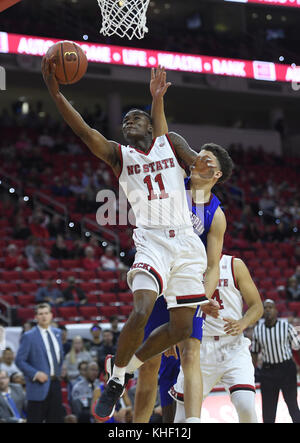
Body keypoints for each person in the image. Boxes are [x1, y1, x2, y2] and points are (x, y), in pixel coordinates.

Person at [42, 57, 219, 423]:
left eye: (135, 117)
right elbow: (82, 130)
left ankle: (122, 368)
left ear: (150, 123)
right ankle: (118, 378)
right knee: (141, 310)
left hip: (186, 242)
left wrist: (200, 165)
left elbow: (192, 160)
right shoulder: (117, 155)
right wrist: (56, 92)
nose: (128, 122)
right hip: (152, 241)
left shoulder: (167, 142)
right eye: (125, 120)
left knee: (183, 329)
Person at [133, 66, 232, 423]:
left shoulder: (216, 214)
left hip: (188, 284)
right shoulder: (174, 181)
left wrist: (203, 297)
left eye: (206, 159)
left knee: (191, 351)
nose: (197, 159)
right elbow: (161, 136)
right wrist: (157, 99)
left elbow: (212, 264)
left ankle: (192, 422)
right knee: (148, 366)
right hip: (160, 278)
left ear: (216, 173)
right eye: (197, 155)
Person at [170, 254, 263, 423]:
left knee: (246, 407)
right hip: (198, 346)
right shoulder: (184, 265)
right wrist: (170, 337)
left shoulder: (234, 264)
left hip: (233, 346)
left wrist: (242, 323)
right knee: (182, 419)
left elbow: (257, 306)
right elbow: (174, 305)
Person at [251, 299, 300, 423]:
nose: (268, 310)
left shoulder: (286, 327)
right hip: (268, 372)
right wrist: (251, 372)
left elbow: (297, 347)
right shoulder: (258, 330)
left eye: (270, 307)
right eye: (265, 307)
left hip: (286, 369)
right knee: (268, 410)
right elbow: (255, 353)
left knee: (292, 405)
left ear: (276, 311)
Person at [15, 303, 65, 423]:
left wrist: (60, 368)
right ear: (36, 317)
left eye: (46, 313)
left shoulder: (57, 333)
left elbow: (59, 355)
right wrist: (36, 374)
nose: (44, 316)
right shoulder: (29, 336)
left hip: (55, 384)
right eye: (40, 314)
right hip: (38, 385)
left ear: (51, 315)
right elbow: (19, 360)